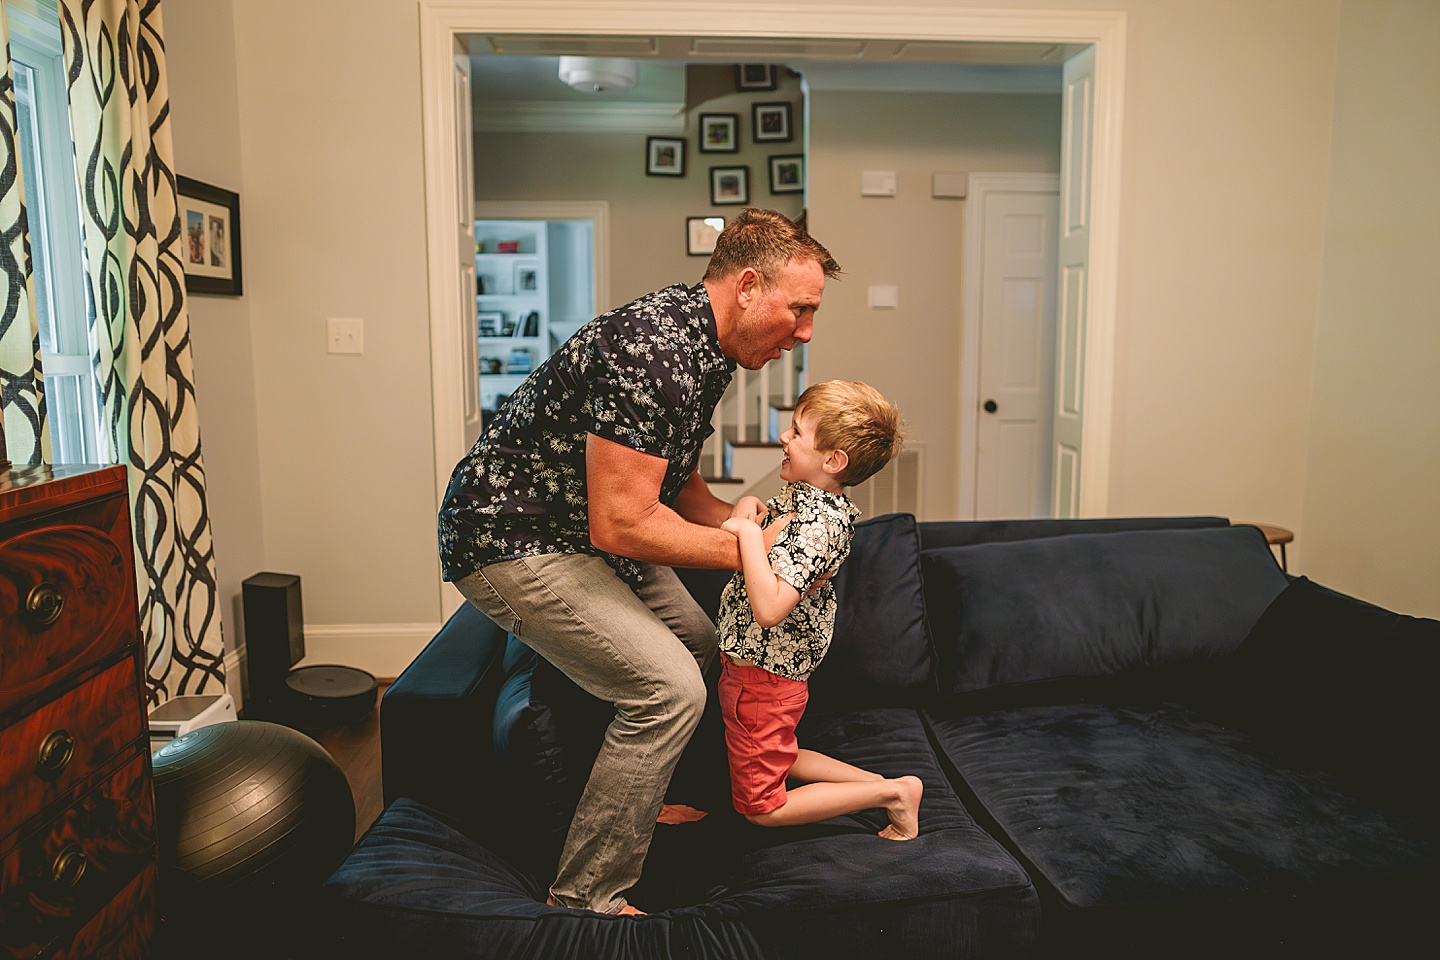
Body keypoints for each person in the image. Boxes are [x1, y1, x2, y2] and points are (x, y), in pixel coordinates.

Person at [438, 208, 841, 916]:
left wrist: (746, 522)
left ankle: (639, 798)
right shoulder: (653, 350)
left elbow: (673, 480)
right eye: (799, 308)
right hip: (514, 538)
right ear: (749, 287)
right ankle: (587, 898)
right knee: (669, 690)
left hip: (580, 532)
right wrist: (757, 553)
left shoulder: (707, 347)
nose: (806, 331)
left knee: (700, 643)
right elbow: (622, 520)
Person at [717, 380, 922, 840]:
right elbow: (775, 536)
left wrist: (748, 535)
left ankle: (892, 795)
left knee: (762, 807)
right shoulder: (809, 499)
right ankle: (888, 786)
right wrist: (752, 508)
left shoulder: (818, 524)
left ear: (833, 460)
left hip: (764, 674)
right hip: (756, 668)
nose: (783, 438)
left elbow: (770, 608)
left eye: (795, 431)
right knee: (781, 753)